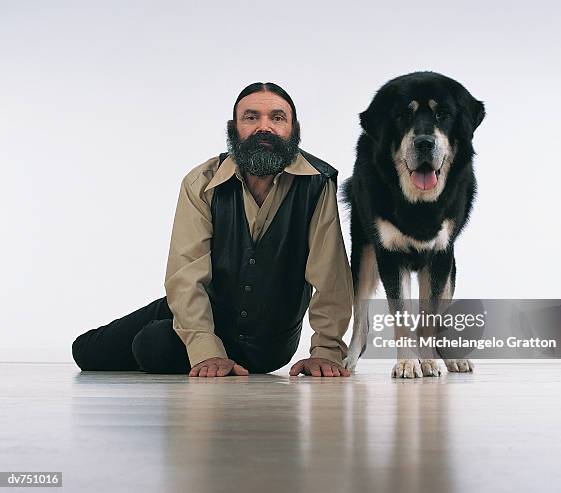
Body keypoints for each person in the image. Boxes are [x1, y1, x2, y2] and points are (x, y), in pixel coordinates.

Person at [72, 82, 354, 378]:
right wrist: (207, 352)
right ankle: (186, 333)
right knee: (86, 351)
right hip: (203, 309)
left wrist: (326, 351)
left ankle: (180, 340)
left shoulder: (318, 182)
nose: (264, 127)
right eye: (251, 117)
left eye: (277, 118)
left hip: (267, 344)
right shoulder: (201, 182)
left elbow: (330, 274)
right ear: (234, 128)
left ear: (293, 128)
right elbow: (186, 272)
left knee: (153, 345)